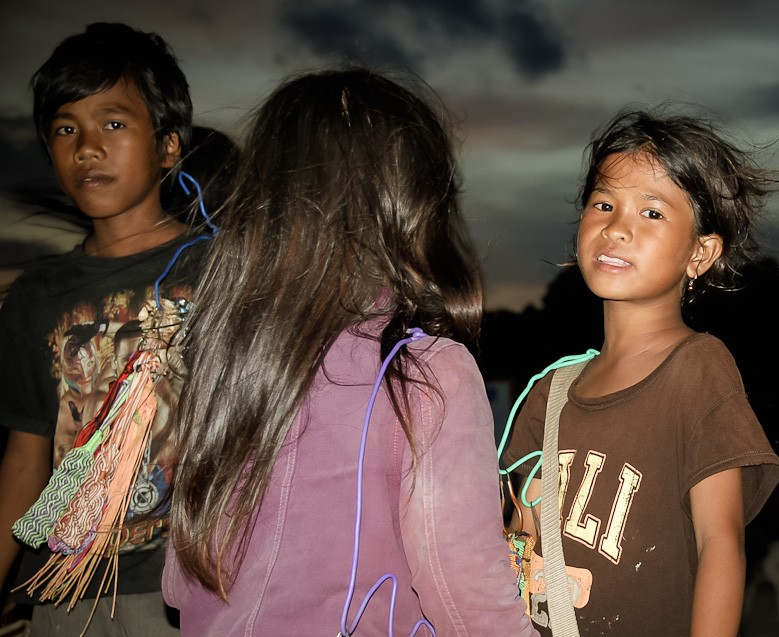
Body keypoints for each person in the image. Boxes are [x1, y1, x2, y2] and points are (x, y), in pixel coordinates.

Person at [162, 69, 537, 636]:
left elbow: (177, 582)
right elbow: (463, 589)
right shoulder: (428, 372)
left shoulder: (226, 362)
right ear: (409, 203)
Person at [503, 109, 779, 636]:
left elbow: (720, 543)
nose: (617, 227)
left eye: (652, 213)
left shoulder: (698, 369)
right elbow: (518, 539)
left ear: (700, 253)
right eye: (604, 204)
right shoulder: (550, 391)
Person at [0, 22, 202, 635]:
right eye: (66, 129)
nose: (87, 146)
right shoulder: (36, 297)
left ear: (168, 146)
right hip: (63, 600)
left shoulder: (222, 271)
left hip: (186, 590)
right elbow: (25, 460)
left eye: (113, 124)